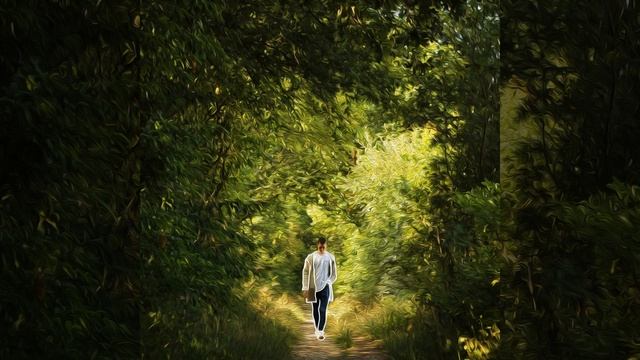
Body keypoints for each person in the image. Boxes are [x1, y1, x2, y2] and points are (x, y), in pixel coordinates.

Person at [301, 237, 337, 341]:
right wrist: (305, 287)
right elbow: (305, 272)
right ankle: (317, 329)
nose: (321, 248)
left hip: (325, 287)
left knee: (323, 309)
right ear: (317, 245)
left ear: (326, 245)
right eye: (320, 246)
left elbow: (334, 274)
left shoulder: (331, 257)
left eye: (323, 246)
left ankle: (321, 331)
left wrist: (329, 282)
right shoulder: (311, 257)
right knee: (315, 310)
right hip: (312, 287)